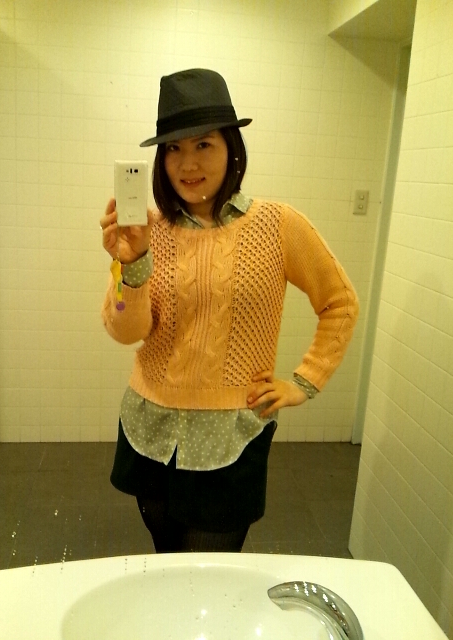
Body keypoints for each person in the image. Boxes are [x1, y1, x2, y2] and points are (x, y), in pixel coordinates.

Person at [100, 68, 359, 554]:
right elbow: (123, 327)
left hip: (230, 439)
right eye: (173, 148)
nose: (187, 163)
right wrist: (131, 264)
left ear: (232, 148)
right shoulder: (145, 231)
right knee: (165, 559)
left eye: (204, 144)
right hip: (150, 430)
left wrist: (304, 381)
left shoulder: (278, 225)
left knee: (211, 574)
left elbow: (340, 302)